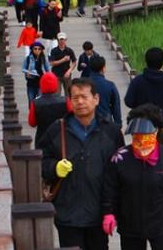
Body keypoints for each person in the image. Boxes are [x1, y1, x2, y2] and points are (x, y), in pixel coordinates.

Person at [39, 78, 120, 250]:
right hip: (67, 213)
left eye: (84, 97)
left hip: (100, 212)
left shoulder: (111, 131)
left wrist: (114, 209)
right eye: (75, 98)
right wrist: (54, 168)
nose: (80, 102)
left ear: (96, 99)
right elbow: (40, 162)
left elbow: (120, 170)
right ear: (69, 101)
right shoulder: (56, 129)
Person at [102, 115, 163, 250]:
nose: (141, 141)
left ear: (155, 133)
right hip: (130, 223)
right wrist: (108, 213)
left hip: (161, 222)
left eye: (146, 136)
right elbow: (110, 188)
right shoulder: (120, 158)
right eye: (136, 136)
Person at [124, 47, 163, 148]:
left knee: (143, 155)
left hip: (142, 125)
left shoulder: (137, 81)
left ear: (146, 62)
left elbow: (128, 101)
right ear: (162, 63)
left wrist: (140, 107)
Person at [28, 71, 68, 139]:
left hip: (42, 137)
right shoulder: (65, 101)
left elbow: (32, 123)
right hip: (60, 137)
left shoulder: (35, 103)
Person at [88, 55, 122, 128]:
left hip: (87, 122)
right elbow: (116, 106)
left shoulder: (83, 85)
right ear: (103, 68)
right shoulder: (110, 85)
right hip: (105, 122)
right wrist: (118, 124)